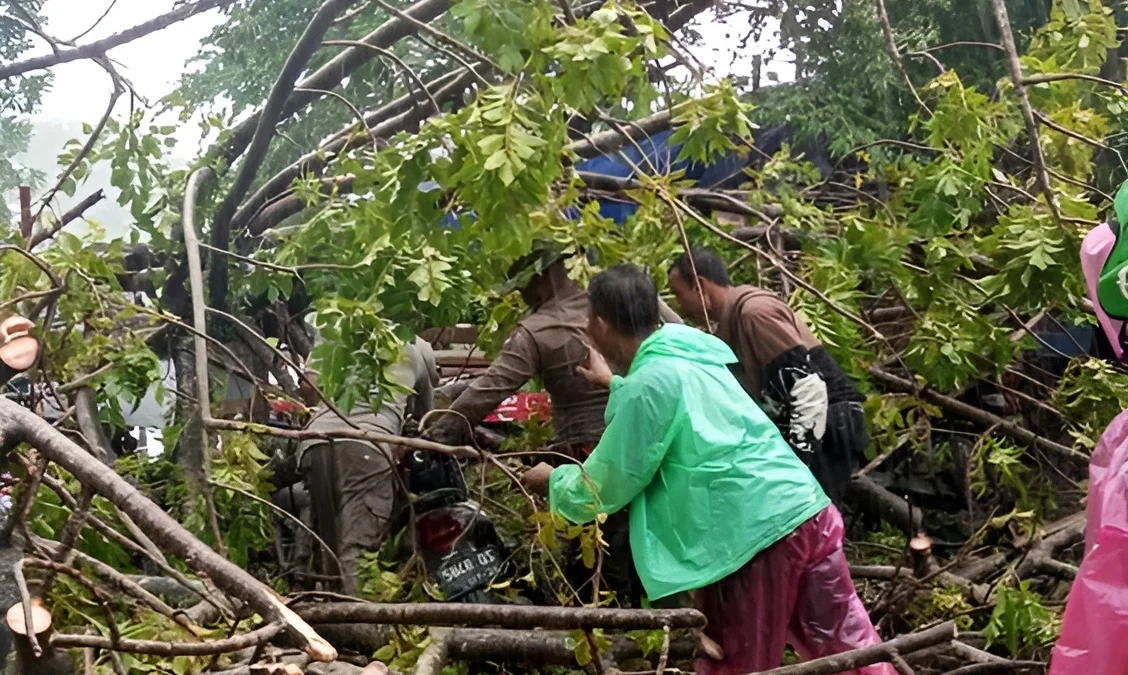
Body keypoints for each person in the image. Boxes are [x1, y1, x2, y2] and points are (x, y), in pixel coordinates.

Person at [522, 264, 893, 675]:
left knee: (736, 662)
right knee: (850, 648)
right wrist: (615, 383)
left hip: (752, 538)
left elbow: (609, 481)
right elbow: (681, 409)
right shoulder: (690, 353)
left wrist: (552, 481)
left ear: (601, 323)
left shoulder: (652, 382)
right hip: (805, 512)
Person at [425, 243, 680, 604]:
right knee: (646, 540)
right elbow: (683, 334)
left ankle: (603, 634)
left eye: (523, 284)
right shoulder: (625, 299)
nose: (520, 293)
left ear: (543, 276)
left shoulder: (538, 329)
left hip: (586, 456)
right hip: (653, 442)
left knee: (594, 559)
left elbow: (489, 390)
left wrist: (434, 435)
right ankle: (657, 625)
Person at [667, 247, 866, 503]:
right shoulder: (735, 322)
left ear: (699, 285)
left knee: (807, 520)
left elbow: (807, 388)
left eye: (678, 294)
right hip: (819, 424)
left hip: (828, 420)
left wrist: (799, 464)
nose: (679, 304)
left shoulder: (754, 313)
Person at [300, 335, 438, 594]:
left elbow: (309, 388)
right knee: (357, 549)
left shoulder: (341, 331)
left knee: (327, 540)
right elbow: (426, 416)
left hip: (312, 440)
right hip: (368, 444)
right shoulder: (419, 346)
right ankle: (360, 623)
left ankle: (328, 612)